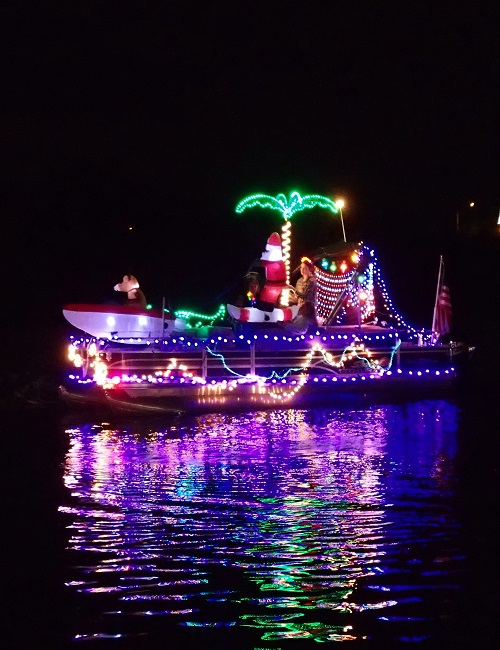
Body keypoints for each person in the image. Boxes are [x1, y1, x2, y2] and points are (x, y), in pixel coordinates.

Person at [286, 258, 318, 333]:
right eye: (301, 268)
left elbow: (306, 296)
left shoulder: (312, 281)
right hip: (299, 309)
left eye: (304, 268)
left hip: (307, 310)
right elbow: (297, 298)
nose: (302, 270)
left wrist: (293, 289)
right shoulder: (299, 281)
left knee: (299, 328)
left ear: (309, 269)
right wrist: (289, 295)